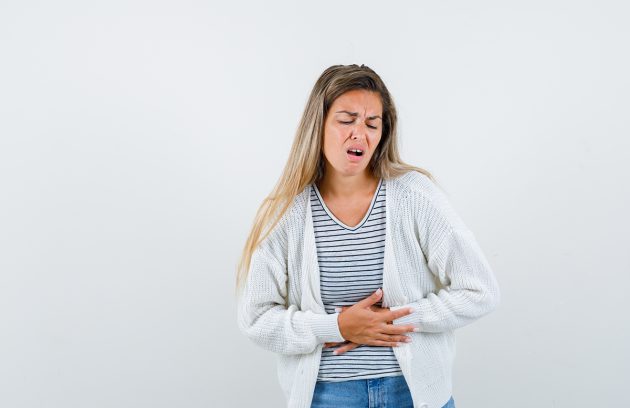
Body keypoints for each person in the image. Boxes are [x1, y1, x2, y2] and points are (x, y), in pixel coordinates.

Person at [235, 64, 501, 408]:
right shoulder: (285, 212)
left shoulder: (414, 196)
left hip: (414, 395)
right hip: (327, 397)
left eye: (372, 123)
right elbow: (255, 318)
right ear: (319, 125)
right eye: (347, 120)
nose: (359, 133)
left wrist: (398, 318)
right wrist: (338, 327)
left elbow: (480, 290)